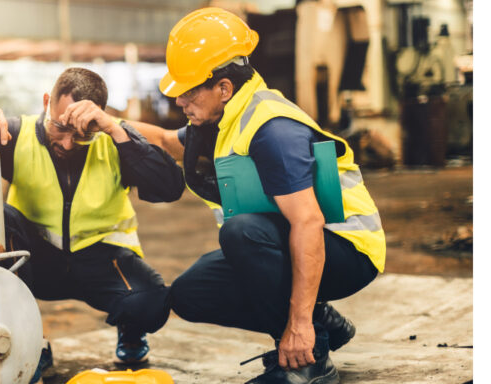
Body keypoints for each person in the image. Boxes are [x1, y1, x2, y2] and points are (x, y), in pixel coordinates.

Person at [143, 8, 386, 384]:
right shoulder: (225, 116)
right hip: (302, 241)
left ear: (223, 87)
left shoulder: (272, 129)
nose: (179, 101)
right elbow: (164, 141)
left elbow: (307, 222)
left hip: (347, 248)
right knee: (191, 294)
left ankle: (308, 357)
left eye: (188, 90)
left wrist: (298, 323)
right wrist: (108, 123)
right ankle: (325, 322)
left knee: (241, 233)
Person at [0, 67, 184, 382]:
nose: (69, 141)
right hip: (37, 260)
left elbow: (170, 188)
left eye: (82, 131)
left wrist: (116, 132)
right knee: (0, 215)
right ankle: (27, 340)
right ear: (47, 101)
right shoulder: (16, 134)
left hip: (102, 260)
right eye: (61, 125)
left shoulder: (114, 139)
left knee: (151, 304)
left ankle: (130, 330)